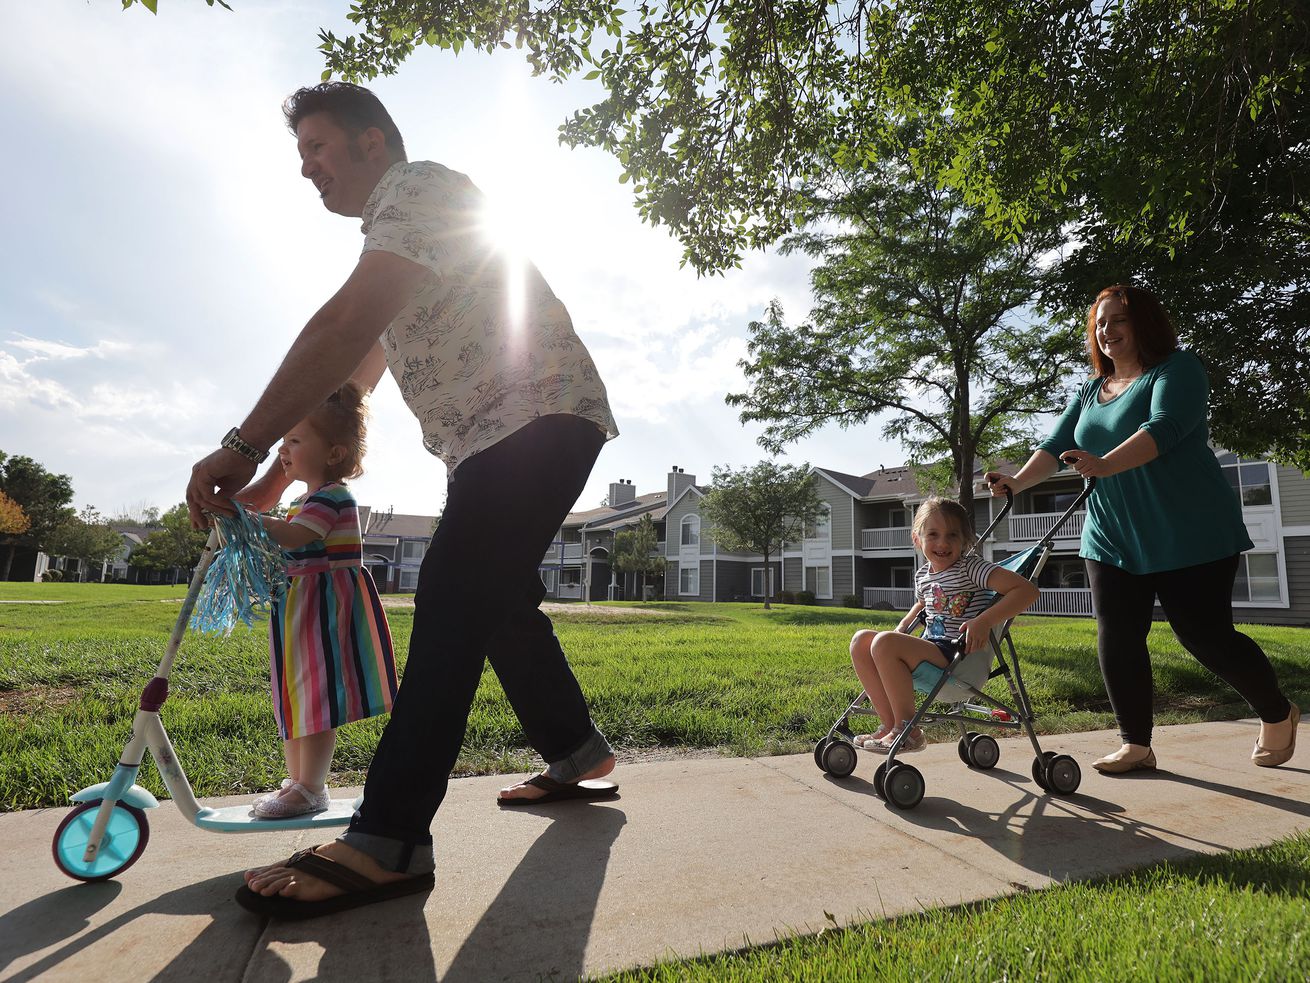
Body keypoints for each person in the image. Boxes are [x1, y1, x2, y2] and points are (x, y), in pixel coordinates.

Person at [185, 82, 620, 919]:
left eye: (316, 148)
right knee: (496, 602)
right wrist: (276, 477)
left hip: (535, 419)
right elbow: (349, 385)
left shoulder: (418, 191)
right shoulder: (403, 242)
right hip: (504, 438)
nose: (306, 168)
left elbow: (344, 324)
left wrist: (237, 447)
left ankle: (389, 838)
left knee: (454, 596)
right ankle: (577, 750)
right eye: (300, 154)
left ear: (372, 144)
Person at [986, 284, 1299, 775]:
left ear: (1144, 324)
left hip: (1190, 531)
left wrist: (1105, 464)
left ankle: (1277, 712)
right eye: (1100, 323)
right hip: (1112, 534)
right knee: (1118, 634)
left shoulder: (1177, 370)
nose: (1106, 331)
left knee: (1205, 637)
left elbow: (1165, 427)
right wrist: (1017, 481)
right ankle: (1136, 743)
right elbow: (1054, 444)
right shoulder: (1090, 390)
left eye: (1119, 320)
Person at [249, 382, 397, 820]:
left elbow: (296, 537)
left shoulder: (333, 496)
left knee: (315, 696)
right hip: (298, 606)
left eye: (295, 439)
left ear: (333, 453)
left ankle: (311, 788)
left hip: (323, 609)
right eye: (283, 440)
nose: (283, 448)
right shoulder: (304, 499)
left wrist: (250, 519)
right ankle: (296, 782)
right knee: (294, 694)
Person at [848, 497, 1039, 752]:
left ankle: (909, 730)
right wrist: (904, 625)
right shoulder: (923, 575)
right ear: (917, 539)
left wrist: (984, 621)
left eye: (952, 535)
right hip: (932, 650)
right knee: (861, 640)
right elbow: (922, 605)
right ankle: (890, 725)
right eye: (933, 534)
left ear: (966, 540)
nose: (942, 543)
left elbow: (1026, 591)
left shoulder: (971, 568)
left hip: (957, 658)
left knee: (883, 642)